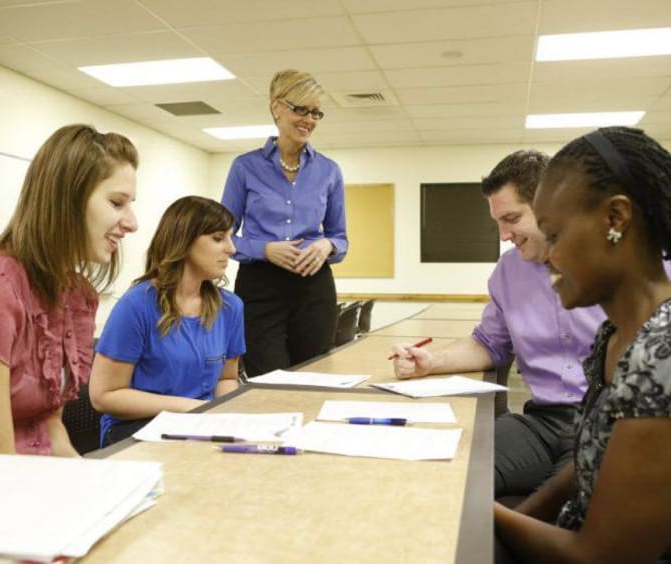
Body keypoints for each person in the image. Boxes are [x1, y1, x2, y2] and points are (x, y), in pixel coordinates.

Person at [495, 127, 671, 563]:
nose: (547, 257)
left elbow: (599, 555)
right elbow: (595, 455)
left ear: (615, 219)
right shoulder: (616, 336)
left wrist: (479, 511)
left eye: (554, 235)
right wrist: (525, 515)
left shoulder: (660, 356)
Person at [391, 150, 606, 498]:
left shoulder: (629, 264)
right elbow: (489, 343)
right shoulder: (509, 271)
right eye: (498, 222)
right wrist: (432, 362)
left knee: (564, 508)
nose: (504, 234)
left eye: (512, 218)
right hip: (541, 423)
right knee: (441, 478)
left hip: (608, 424)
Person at [0, 124, 139, 462]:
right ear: (66, 199)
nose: (132, 222)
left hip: (27, 481)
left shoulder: (73, 295)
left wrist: (88, 479)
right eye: (116, 203)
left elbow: (49, 426)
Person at [221, 69, 348, 377]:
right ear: (276, 107)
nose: (309, 119)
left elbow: (341, 238)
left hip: (314, 289)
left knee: (315, 377)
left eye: (316, 112)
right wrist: (265, 249)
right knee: (268, 381)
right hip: (260, 287)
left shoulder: (329, 171)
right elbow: (223, 236)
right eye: (300, 109)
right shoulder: (245, 167)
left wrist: (326, 245)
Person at [89, 196, 245, 446]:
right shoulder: (136, 305)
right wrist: (190, 408)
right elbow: (104, 396)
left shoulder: (230, 307)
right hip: (136, 430)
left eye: (230, 237)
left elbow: (226, 379)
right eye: (218, 238)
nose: (231, 248)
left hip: (199, 425)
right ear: (183, 242)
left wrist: (227, 418)